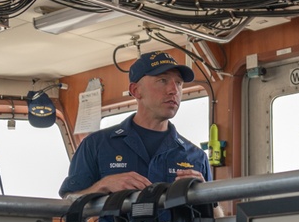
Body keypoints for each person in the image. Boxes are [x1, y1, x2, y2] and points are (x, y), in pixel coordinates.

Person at [59, 51, 211, 198]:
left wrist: (203, 194)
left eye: (178, 83)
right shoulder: (96, 144)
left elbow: (217, 215)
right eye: (162, 80)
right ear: (136, 90)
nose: (174, 90)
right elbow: (69, 203)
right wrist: (103, 185)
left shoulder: (196, 157)